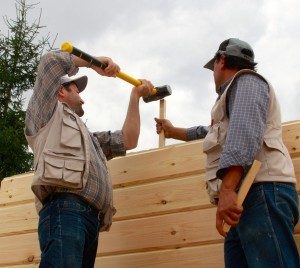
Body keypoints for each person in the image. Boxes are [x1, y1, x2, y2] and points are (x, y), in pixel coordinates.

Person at [155, 38, 299, 267]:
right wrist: (174, 132)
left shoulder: (246, 81)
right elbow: (213, 132)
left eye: (213, 66)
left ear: (221, 60)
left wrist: (228, 190)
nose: (213, 72)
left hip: (260, 190)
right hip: (244, 197)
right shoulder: (232, 98)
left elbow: (243, 134)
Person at [25, 50, 153, 267]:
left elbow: (128, 140)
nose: (82, 97)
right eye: (76, 90)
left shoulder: (88, 138)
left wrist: (135, 96)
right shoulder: (46, 116)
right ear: (60, 92)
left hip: (90, 220)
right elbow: (50, 62)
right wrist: (93, 63)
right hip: (64, 210)